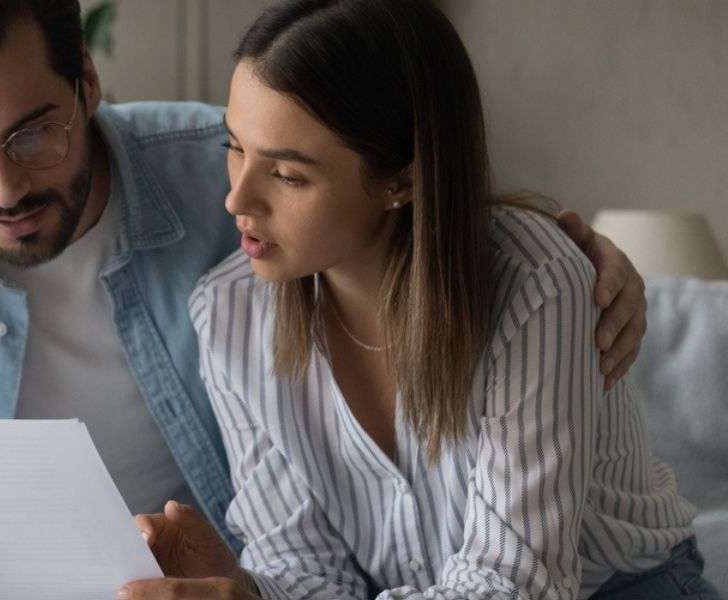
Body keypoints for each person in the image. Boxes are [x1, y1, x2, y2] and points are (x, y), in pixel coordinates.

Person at [0, 2, 652, 599]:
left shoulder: (217, 165)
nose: (3, 183)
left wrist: (562, 249)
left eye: (32, 131)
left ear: (87, 83)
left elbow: (411, 191)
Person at [120, 1, 720, 599]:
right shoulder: (228, 314)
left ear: (402, 179)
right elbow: (306, 572)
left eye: (288, 175)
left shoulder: (535, 283)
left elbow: (513, 582)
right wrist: (243, 589)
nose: (237, 198)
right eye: (235, 147)